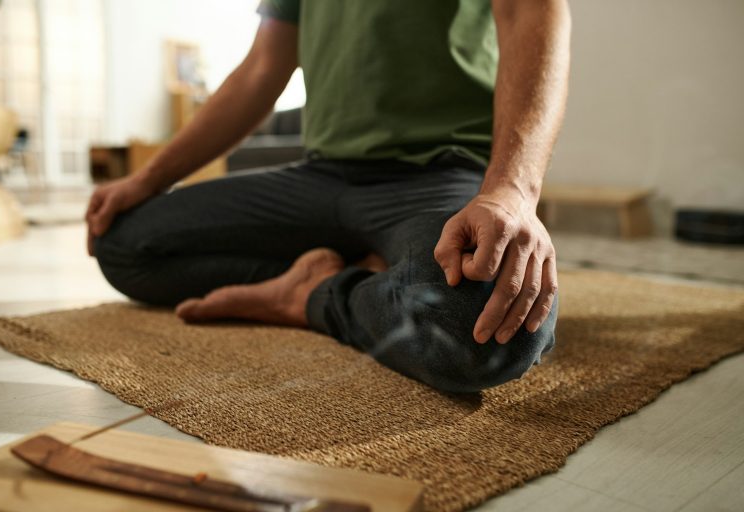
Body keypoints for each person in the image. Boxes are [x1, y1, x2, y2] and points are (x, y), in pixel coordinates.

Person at [86, 0, 571, 394]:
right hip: (320, 177)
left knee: (485, 333)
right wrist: (146, 180)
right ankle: (354, 278)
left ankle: (312, 296)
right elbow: (261, 69)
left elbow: (532, 10)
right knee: (124, 245)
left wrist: (512, 191)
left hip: (441, 172)